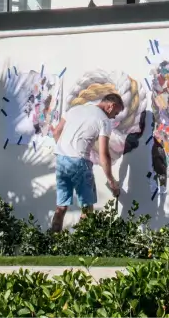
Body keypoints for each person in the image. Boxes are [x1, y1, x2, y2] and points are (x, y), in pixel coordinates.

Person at [51, 93, 124, 232]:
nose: (114, 117)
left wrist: (66, 150)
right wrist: (111, 181)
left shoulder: (74, 109)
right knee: (87, 207)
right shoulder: (104, 120)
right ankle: (83, 244)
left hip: (61, 159)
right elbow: (104, 154)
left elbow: (56, 133)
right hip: (80, 162)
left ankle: (52, 244)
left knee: (61, 207)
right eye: (116, 112)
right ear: (111, 106)